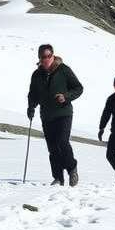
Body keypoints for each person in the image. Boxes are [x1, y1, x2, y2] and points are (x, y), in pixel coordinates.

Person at [27, 43, 83, 186]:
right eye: (42, 56)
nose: (45, 59)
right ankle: (58, 177)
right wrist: (31, 107)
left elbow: (78, 88)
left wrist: (66, 96)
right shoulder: (36, 74)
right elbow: (32, 94)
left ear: (53, 55)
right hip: (46, 115)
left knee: (62, 142)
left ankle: (72, 169)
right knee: (52, 147)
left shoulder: (63, 70)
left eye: (48, 56)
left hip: (63, 113)